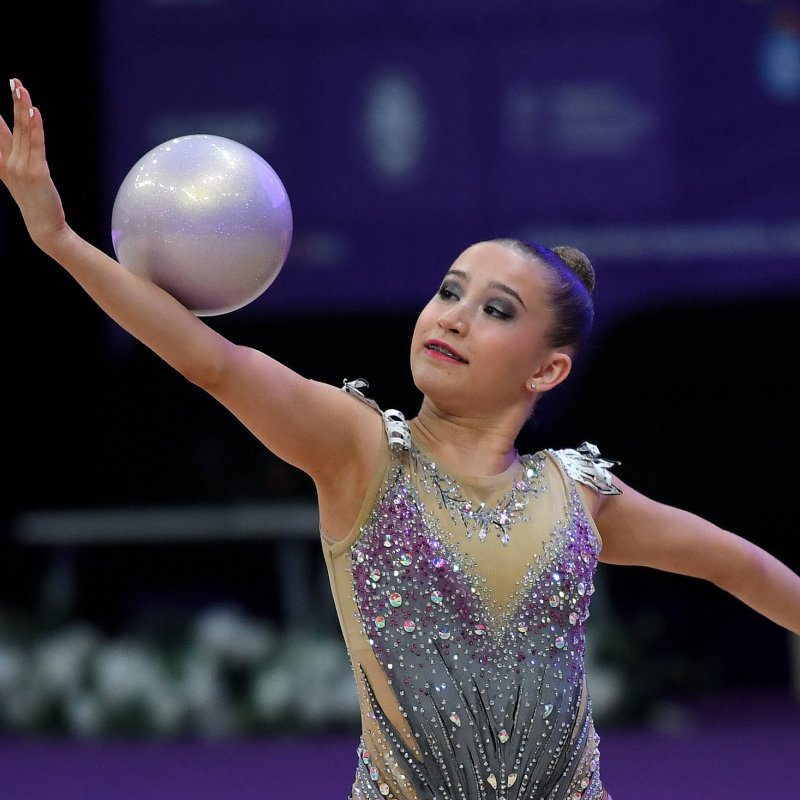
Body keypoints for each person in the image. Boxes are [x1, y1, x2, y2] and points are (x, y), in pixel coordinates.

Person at [2, 79, 799, 800]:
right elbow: (215, 362)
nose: (454, 316)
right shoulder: (360, 453)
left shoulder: (577, 494)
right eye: (449, 291)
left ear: (548, 370)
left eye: (495, 310)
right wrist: (60, 239)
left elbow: (738, 563)